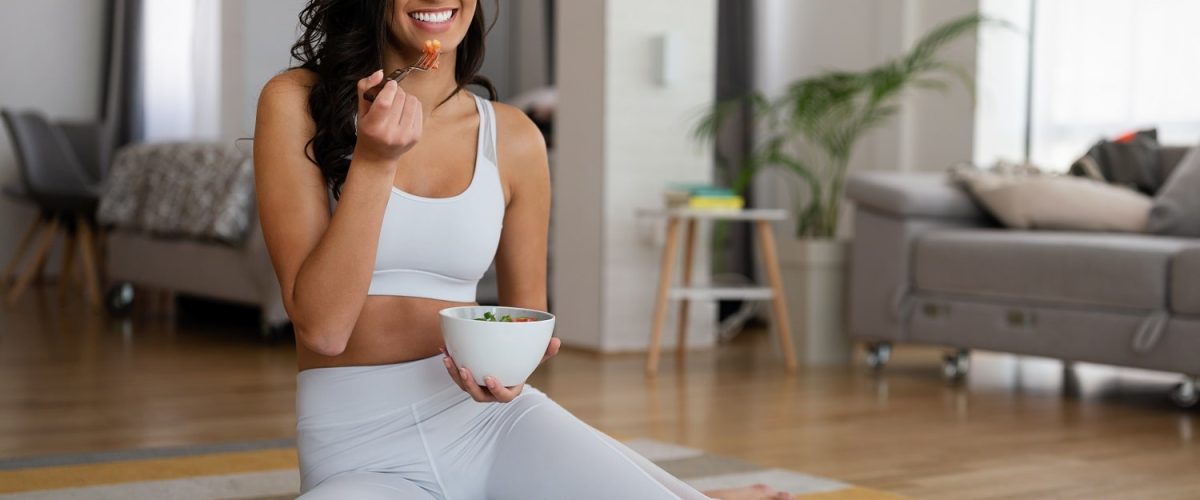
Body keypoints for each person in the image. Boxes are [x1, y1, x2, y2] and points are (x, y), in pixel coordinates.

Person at [254, 1, 793, 498]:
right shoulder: (296, 102)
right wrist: (374, 163)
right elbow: (323, 330)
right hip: (357, 449)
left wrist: (511, 370)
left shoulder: (513, 137)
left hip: (490, 426)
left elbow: (521, 319)